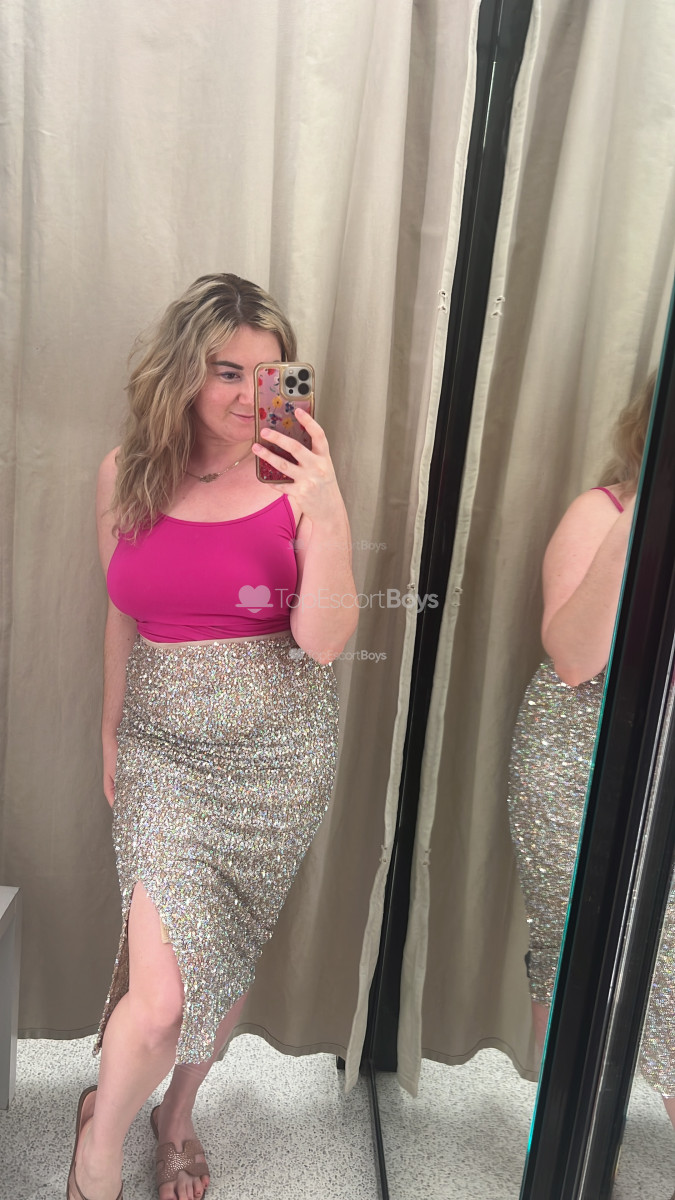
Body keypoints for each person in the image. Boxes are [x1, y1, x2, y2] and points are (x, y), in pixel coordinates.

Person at [67, 273, 359, 1200]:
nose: (244, 395)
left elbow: (325, 641)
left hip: (279, 759)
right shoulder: (125, 474)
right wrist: (109, 735)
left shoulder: (298, 481)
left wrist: (326, 506)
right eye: (225, 371)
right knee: (159, 1000)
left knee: (224, 955)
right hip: (163, 752)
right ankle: (98, 1148)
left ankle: (177, 1117)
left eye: (266, 376)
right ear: (183, 372)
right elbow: (121, 614)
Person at [507, 370, 675, 1130]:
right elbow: (574, 657)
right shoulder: (600, 512)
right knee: (571, 948)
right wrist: (643, 515)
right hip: (578, 759)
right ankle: (565, 1142)